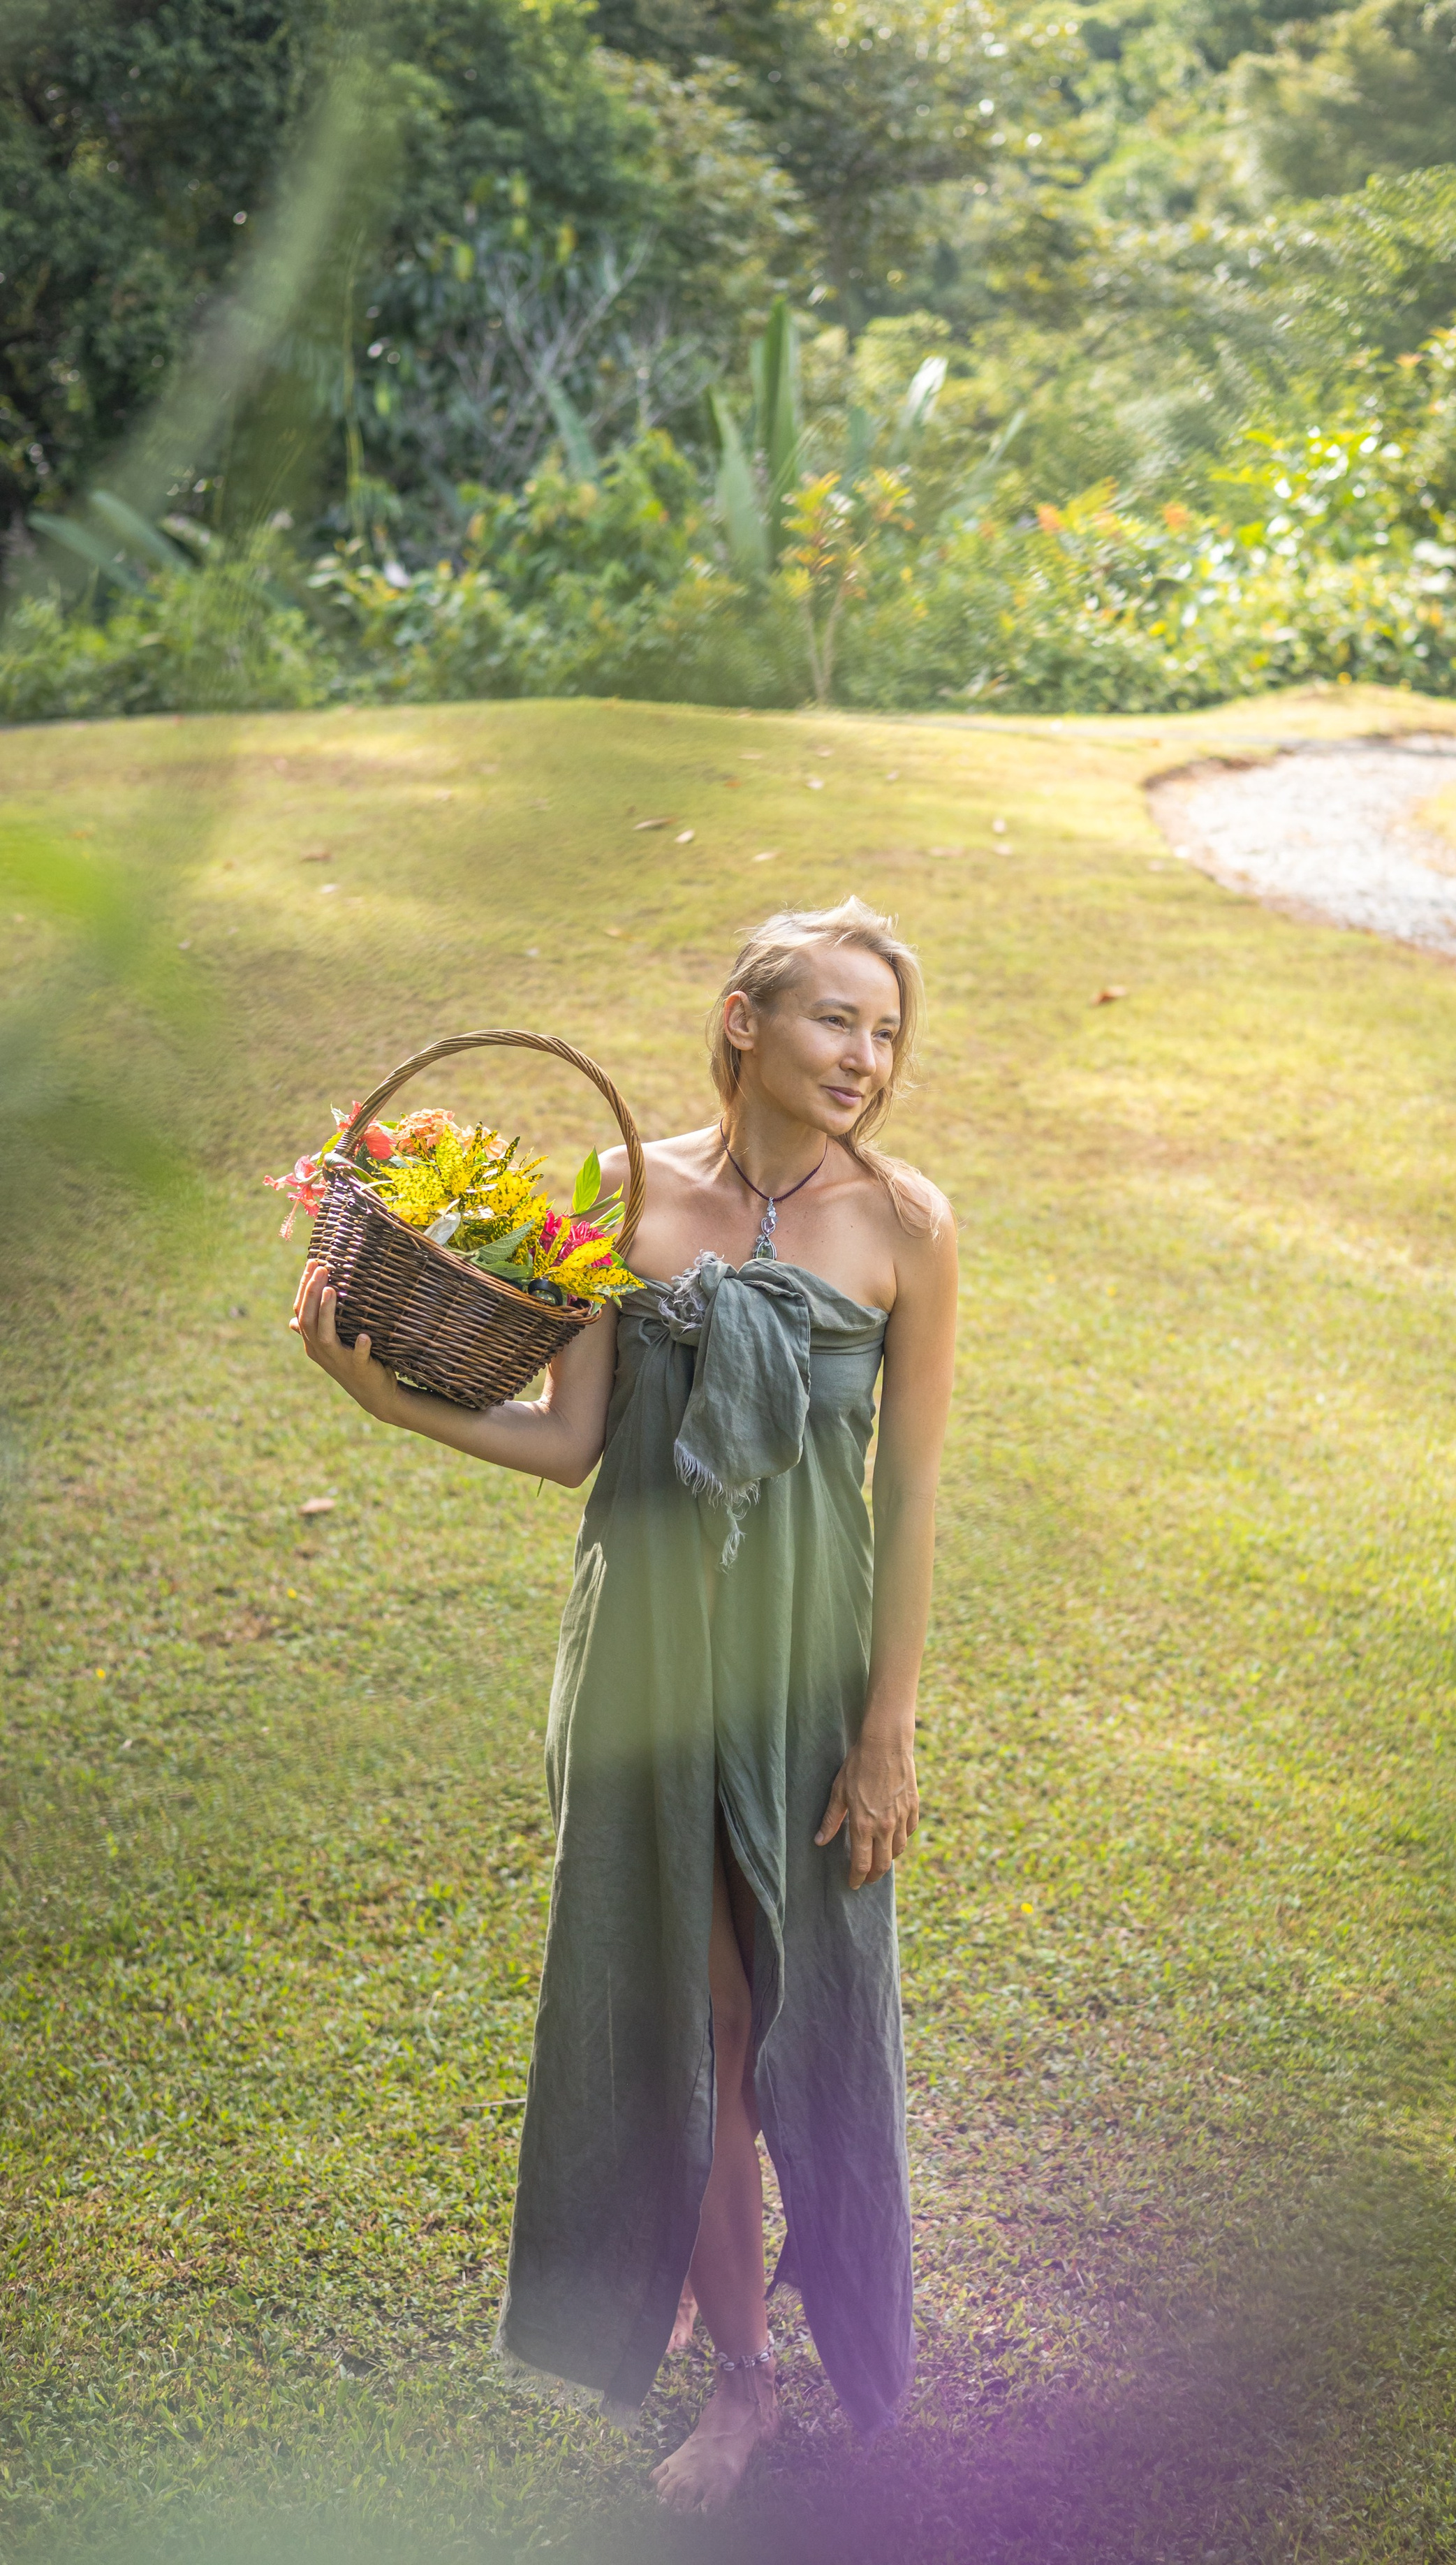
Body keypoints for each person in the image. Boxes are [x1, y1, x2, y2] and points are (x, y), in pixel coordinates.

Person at [290, 897, 957, 2513]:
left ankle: (793, 2284)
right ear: (743, 1020)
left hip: (805, 1681)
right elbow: (572, 1440)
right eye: (831, 1022)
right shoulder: (623, 1191)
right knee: (702, 2022)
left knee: (804, 2013)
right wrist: (384, 1397)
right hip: (646, 1668)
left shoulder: (905, 1226)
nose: (863, 1059)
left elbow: (914, 1496)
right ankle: (739, 2377)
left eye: (884, 1032)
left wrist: (887, 1731)